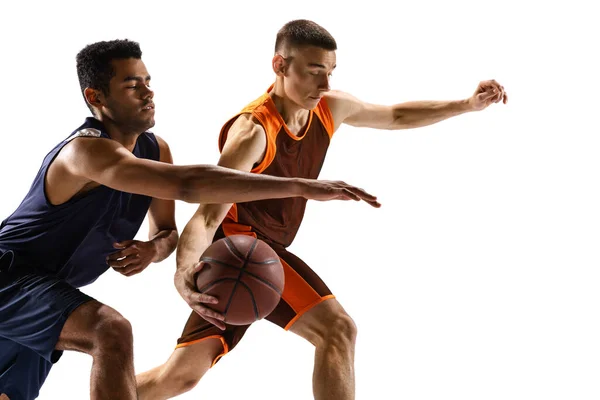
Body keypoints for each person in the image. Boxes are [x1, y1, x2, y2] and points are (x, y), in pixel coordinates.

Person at [136, 19, 508, 400]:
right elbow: (207, 216)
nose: (325, 85)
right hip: (239, 252)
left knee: (179, 376)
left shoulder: (329, 108)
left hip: (259, 254)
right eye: (314, 72)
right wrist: (183, 272)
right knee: (337, 330)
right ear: (280, 66)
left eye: (330, 72)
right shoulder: (254, 132)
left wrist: (466, 104)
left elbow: (395, 115)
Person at [0, 39, 377, 400]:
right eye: (133, 86)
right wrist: (299, 186)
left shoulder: (155, 149)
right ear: (95, 97)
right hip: (12, 278)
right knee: (110, 330)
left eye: (148, 82)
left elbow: (166, 233)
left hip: (47, 290)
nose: (148, 93)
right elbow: (189, 184)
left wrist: (152, 248)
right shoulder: (84, 152)